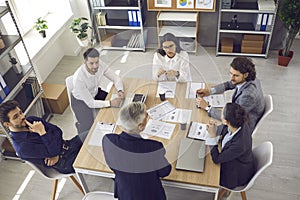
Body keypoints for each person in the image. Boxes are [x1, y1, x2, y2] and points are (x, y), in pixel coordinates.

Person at [102, 102, 171, 200]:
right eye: (146, 117)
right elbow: (165, 172)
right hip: (150, 195)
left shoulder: (108, 140)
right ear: (140, 126)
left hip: (125, 194)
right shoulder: (153, 147)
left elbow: (112, 165)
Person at [0, 100, 85, 174]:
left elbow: (58, 131)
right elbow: (54, 150)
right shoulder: (22, 147)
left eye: (20, 112)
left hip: (68, 145)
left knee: (94, 133)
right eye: (16, 117)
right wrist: (42, 132)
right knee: (92, 159)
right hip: (65, 162)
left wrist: (54, 153)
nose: (22, 117)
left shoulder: (31, 120)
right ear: (7, 124)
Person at [196, 57, 265, 132]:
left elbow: (232, 118)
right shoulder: (248, 79)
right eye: (231, 74)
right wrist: (209, 91)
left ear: (245, 75)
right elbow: (229, 85)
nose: (231, 78)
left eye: (235, 75)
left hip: (241, 127)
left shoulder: (248, 95)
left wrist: (207, 107)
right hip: (238, 113)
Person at [205, 103, 255, 197]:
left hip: (236, 175)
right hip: (239, 161)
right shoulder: (239, 123)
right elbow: (225, 129)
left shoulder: (239, 144)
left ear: (226, 121)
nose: (220, 114)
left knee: (207, 172)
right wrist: (215, 129)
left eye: (222, 114)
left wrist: (212, 137)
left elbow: (216, 159)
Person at [71, 48, 125, 133]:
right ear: (85, 62)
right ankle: (79, 125)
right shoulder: (78, 78)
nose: (95, 66)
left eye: (97, 62)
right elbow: (90, 103)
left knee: (117, 105)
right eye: (91, 63)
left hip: (95, 92)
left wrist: (120, 90)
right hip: (81, 101)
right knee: (88, 128)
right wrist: (110, 103)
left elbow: (116, 78)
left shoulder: (101, 65)